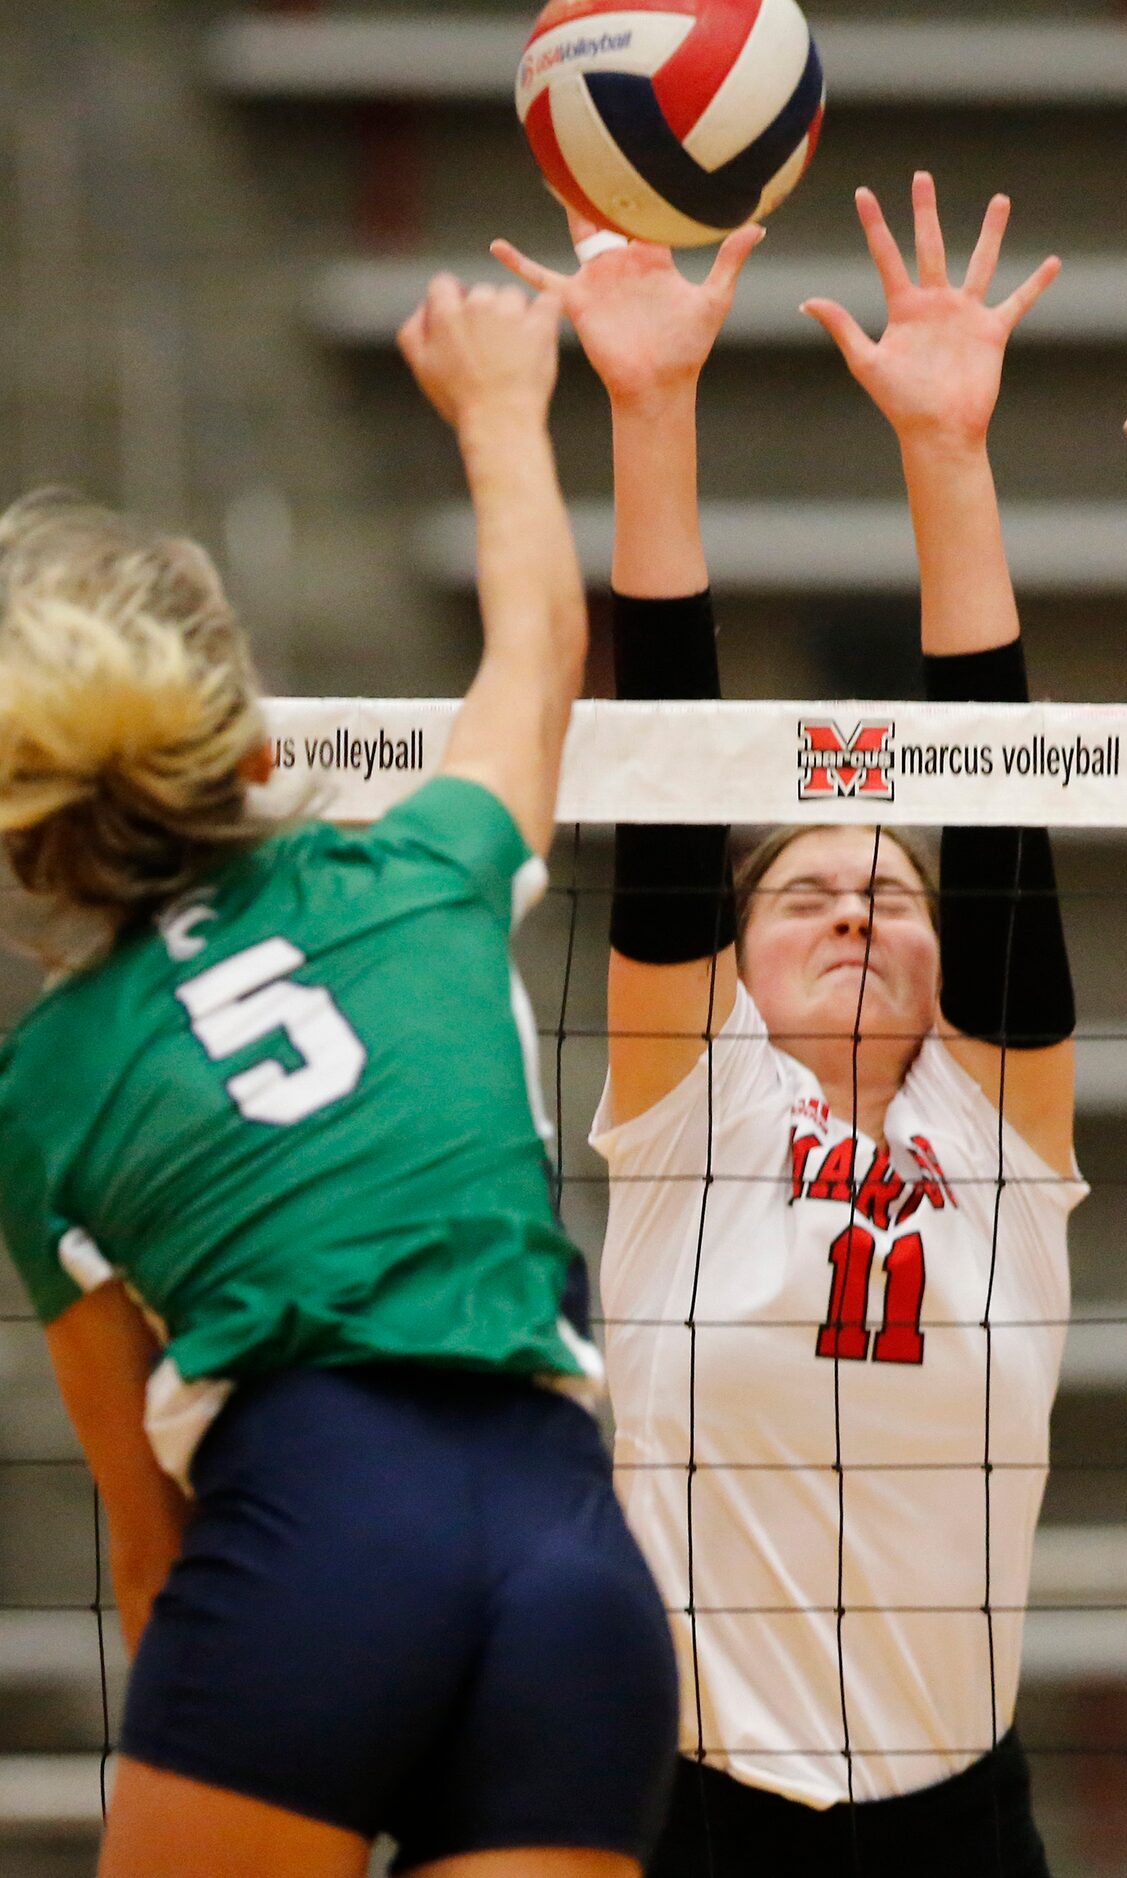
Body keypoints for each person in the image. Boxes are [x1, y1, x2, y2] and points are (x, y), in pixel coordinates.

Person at [0, 281, 679, 1878]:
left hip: (315, 1544)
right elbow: (540, 648)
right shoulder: (420, 870)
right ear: (253, 758)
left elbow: (144, 1535)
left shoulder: (45, 1089)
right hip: (570, 1562)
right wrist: (500, 404)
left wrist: (240, 1695)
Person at [495, 174, 1080, 1876]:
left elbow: (1001, 809)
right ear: (734, 972)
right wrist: (652, 410)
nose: (856, 910)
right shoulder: (696, 1119)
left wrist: (949, 457)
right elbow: (669, 817)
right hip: (698, 1811)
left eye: (894, 892)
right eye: (805, 893)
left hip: (958, 1821)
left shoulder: (999, 1138)